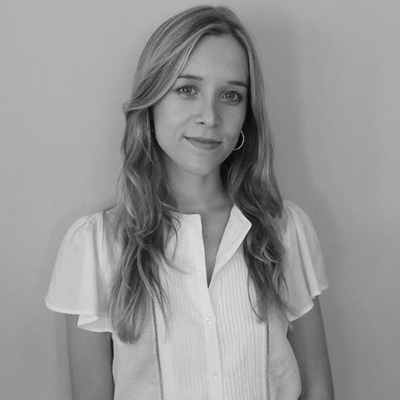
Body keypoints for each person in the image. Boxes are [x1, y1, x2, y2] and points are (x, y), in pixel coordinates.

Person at [46, 5, 334, 400]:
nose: (209, 117)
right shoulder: (95, 246)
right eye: (187, 89)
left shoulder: (285, 230)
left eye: (231, 95)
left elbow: (318, 388)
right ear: (151, 100)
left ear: (246, 115)